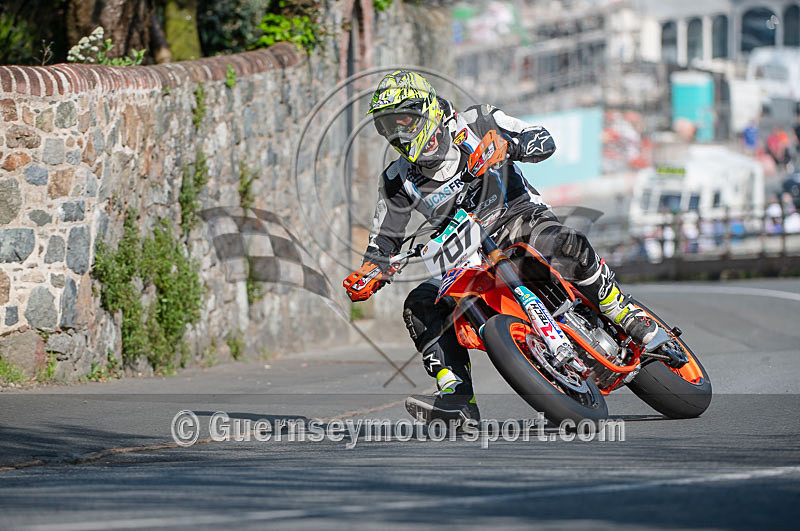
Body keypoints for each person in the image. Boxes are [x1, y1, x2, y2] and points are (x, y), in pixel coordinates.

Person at [343, 71, 665, 424]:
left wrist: (509, 146)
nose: (399, 132)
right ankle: (456, 397)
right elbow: (383, 241)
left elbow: (543, 139)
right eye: (389, 125)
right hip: (461, 249)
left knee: (563, 242)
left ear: (428, 110)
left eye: (405, 119)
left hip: (516, 217)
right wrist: (370, 271)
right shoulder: (396, 179)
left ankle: (620, 309)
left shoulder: (479, 121)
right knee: (420, 303)